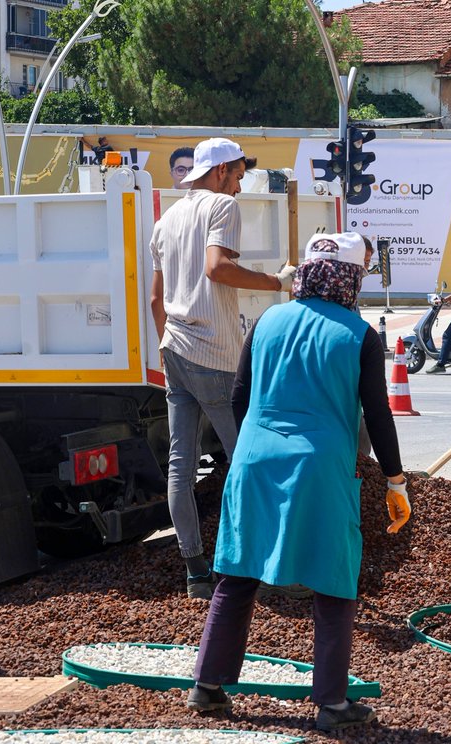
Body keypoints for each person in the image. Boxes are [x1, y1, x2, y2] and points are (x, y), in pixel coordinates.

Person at [187, 232, 410, 731]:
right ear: (350, 279)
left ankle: (207, 686)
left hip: (254, 458)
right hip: (319, 466)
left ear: (307, 271)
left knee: (238, 572)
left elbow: (240, 397)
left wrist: (256, 445)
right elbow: (378, 415)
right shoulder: (358, 334)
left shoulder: (267, 320)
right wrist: (395, 481)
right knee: (333, 578)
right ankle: (331, 703)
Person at [149, 137, 298, 599]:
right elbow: (217, 268)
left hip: (174, 347)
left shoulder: (167, 218)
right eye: (236, 176)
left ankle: (195, 572)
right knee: (249, 461)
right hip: (213, 353)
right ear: (218, 173)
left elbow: (156, 298)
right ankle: (265, 572)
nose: (237, 187)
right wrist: (276, 282)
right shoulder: (220, 208)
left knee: (180, 465)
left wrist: (166, 343)